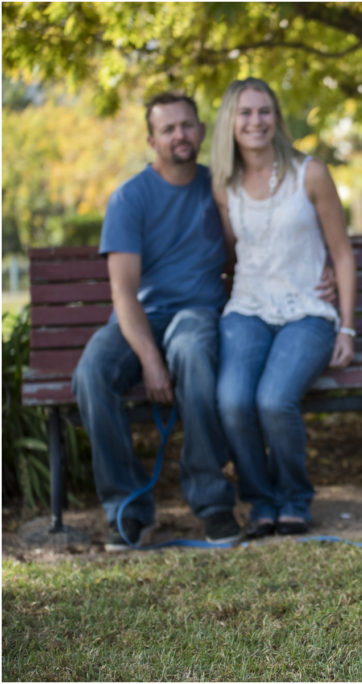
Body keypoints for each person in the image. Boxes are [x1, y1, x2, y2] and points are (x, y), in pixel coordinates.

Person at [72, 92, 242, 550]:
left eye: (186, 125)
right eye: (168, 129)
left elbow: (243, 254)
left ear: (202, 131)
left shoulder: (220, 187)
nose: (179, 136)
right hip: (139, 318)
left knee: (192, 351)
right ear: (152, 140)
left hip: (197, 314)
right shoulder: (130, 198)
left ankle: (212, 503)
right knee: (91, 373)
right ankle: (126, 510)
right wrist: (149, 358)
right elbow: (123, 293)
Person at [210, 77, 357, 538]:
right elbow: (233, 256)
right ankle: (260, 502)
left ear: (277, 117)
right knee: (233, 401)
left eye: (264, 111)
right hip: (247, 308)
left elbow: (342, 253)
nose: (256, 121)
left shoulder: (309, 174)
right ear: (230, 123)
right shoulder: (224, 185)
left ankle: (294, 498)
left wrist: (347, 328)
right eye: (245, 113)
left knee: (273, 401)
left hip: (308, 311)